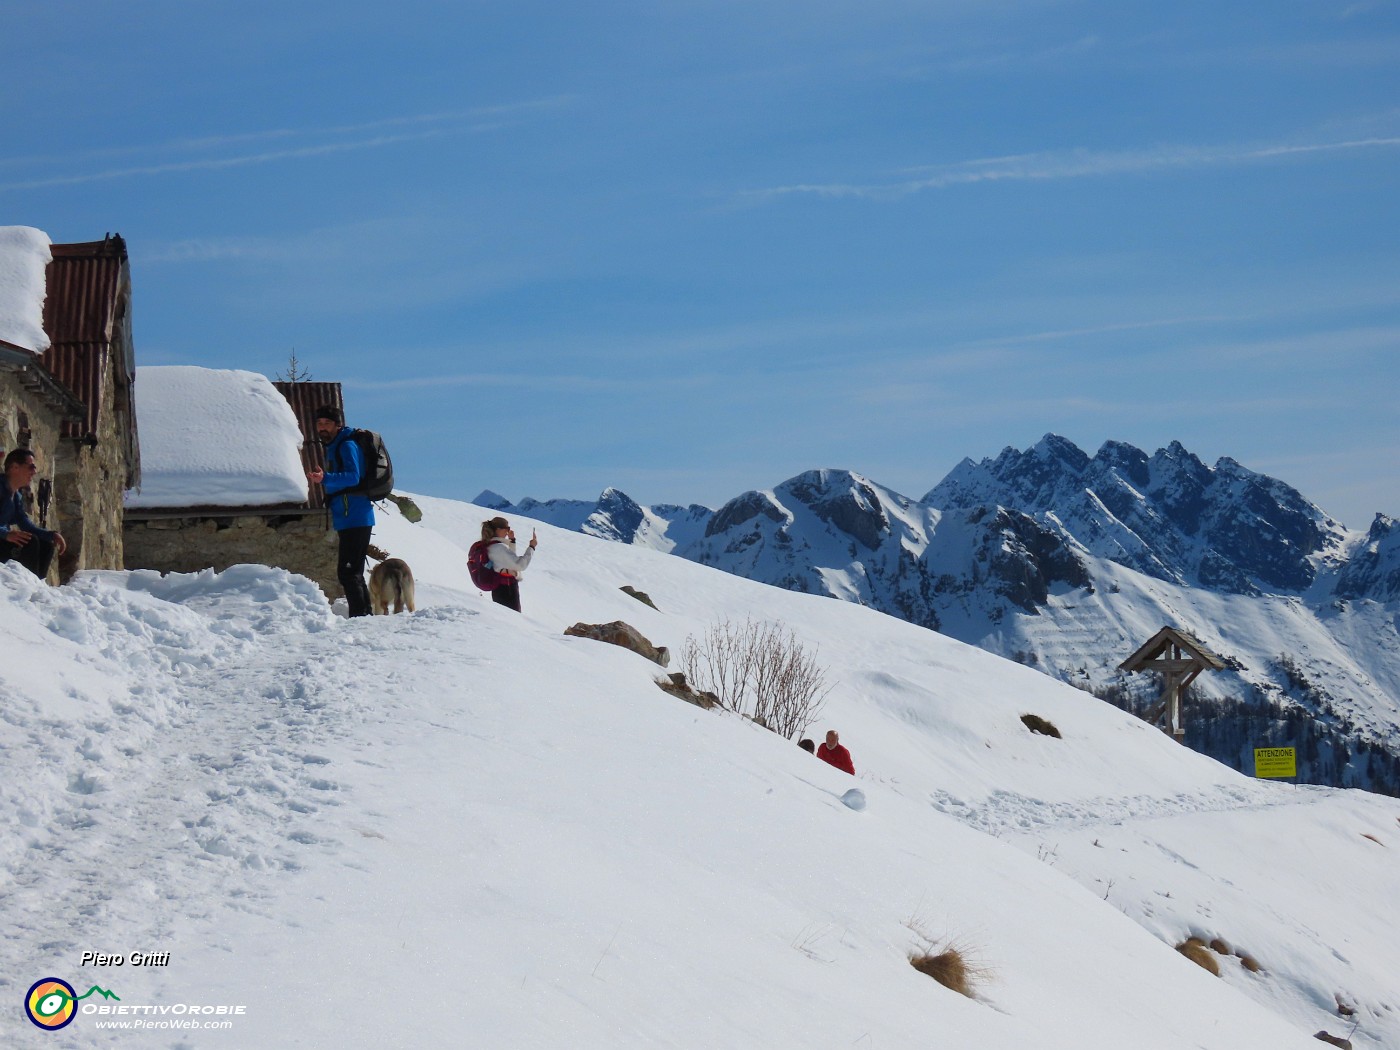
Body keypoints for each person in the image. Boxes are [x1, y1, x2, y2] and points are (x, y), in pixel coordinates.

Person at [306, 406, 374, 617]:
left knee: (348, 572)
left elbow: (353, 477)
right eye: (319, 423)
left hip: (354, 515)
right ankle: (365, 617)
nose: (322, 428)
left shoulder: (346, 445)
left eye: (327, 423)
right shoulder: (336, 445)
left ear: (338, 425)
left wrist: (325, 478)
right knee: (353, 572)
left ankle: (359, 618)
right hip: (350, 516)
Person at [0, 448, 67, 581]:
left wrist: (51, 535)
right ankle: (28, 588)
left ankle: (38, 587)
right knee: (30, 543)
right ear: (14, 467)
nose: (34, 472)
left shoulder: (15, 496)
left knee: (46, 544)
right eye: (30, 467)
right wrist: (5, 534)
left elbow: (26, 525)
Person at [481, 515, 537, 612]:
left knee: (502, 616)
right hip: (507, 587)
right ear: (498, 529)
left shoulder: (490, 545)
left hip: (498, 587)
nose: (508, 531)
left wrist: (512, 541)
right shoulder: (500, 547)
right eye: (507, 528)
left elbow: (509, 560)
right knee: (513, 618)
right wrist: (531, 547)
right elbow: (519, 565)